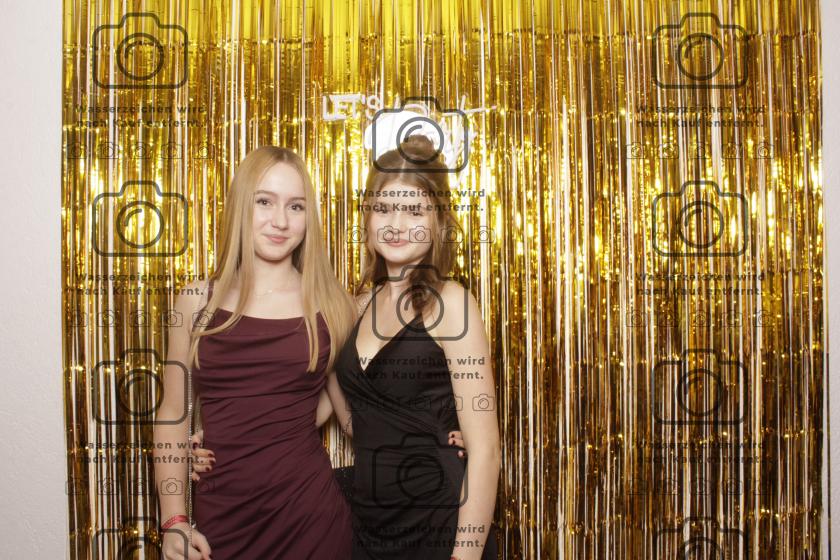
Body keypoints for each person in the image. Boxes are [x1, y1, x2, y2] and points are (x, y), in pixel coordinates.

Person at [328, 135, 502, 559]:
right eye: (384, 208)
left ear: (439, 222)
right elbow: (355, 422)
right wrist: (224, 434)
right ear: (367, 218)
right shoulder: (354, 308)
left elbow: (485, 451)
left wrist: (463, 556)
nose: (396, 224)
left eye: (414, 211)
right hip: (369, 523)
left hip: (439, 521)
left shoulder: (452, 303)